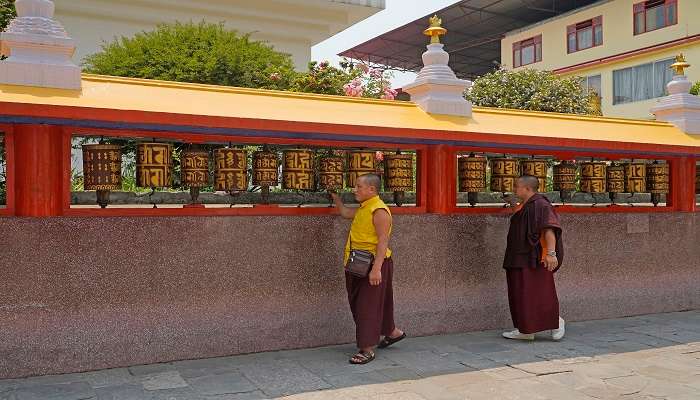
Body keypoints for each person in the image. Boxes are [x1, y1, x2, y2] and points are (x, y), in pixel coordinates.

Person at [330, 173, 405, 364]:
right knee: (378, 301)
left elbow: (383, 241)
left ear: (371, 189)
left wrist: (376, 269)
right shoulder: (365, 207)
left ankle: (367, 349)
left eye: (358, 187)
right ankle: (393, 332)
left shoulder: (379, 211)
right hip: (358, 262)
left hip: (373, 263)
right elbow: (346, 213)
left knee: (367, 306)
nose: (355, 190)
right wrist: (336, 199)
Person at [502, 175, 565, 341]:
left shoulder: (541, 205)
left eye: (516, 187)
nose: (514, 190)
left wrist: (551, 254)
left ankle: (556, 323)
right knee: (520, 294)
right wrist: (513, 205)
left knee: (540, 294)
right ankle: (525, 330)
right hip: (518, 257)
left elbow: (549, 229)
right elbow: (524, 220)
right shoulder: (526, 206)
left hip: (535, 258)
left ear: (527, 189)